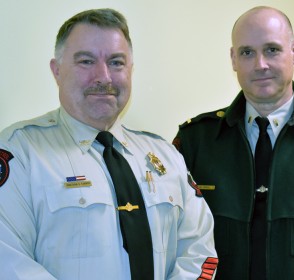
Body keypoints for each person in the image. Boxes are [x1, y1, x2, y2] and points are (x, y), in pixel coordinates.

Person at [0, 8, 218, 280]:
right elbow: (8, 263)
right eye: (86, 61)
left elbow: (198, 250)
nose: (103, 77)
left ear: (131, 71)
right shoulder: (19, 153)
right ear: (56, 71)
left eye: (116, 62)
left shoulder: (166, 155)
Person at [173, 6, 294, 279]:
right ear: (233, 59)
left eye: (272, 50)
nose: (260, 64)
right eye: (247, 52)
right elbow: (176, 242)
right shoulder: (195, 142)